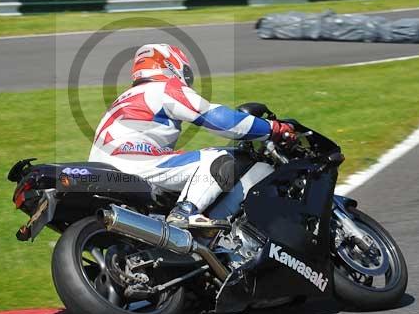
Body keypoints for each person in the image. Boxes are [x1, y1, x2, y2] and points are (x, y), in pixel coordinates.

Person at [88, 43, 295, 229]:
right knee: (218, 157)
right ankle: (186, 211)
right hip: (136, 163)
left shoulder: (123, 99)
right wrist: (274, 128)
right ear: (171, 66)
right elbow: (219, 120)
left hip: (102, 170)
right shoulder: (165, 88)